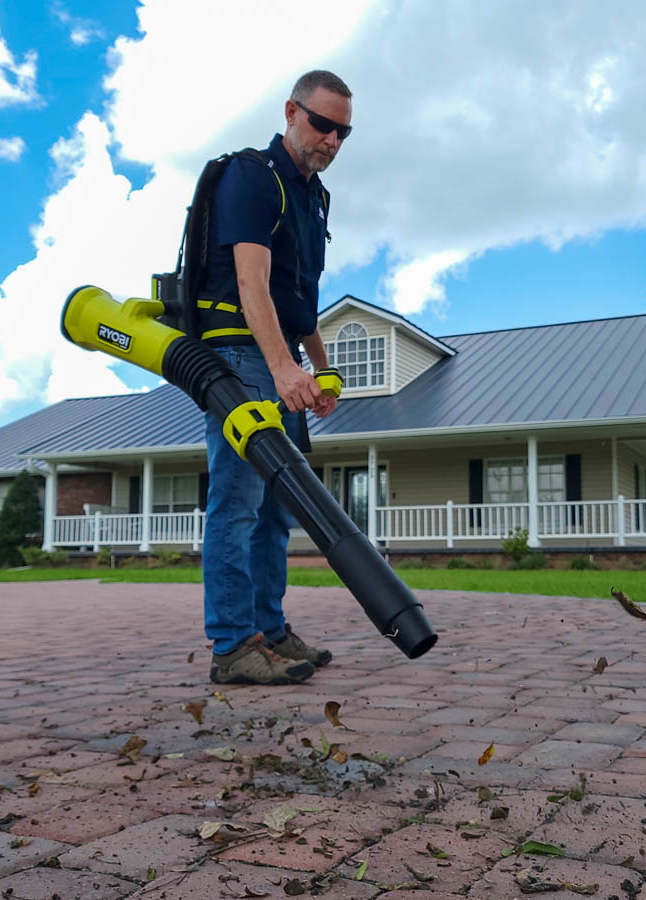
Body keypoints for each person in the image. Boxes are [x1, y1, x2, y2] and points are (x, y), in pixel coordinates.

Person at [198, 70, 352, 685]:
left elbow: (299, 301)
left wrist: (320, 367)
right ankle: (234, 646)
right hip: (239, 357)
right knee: (237, 504)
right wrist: (284, 366)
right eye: (322, 124)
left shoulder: (312, 197)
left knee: (275, 510)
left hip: (280, 351)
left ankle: (271, 632)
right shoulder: (252, 177)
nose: (332, 140)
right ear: (291, 111)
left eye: (343, 131)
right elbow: (250, 283)